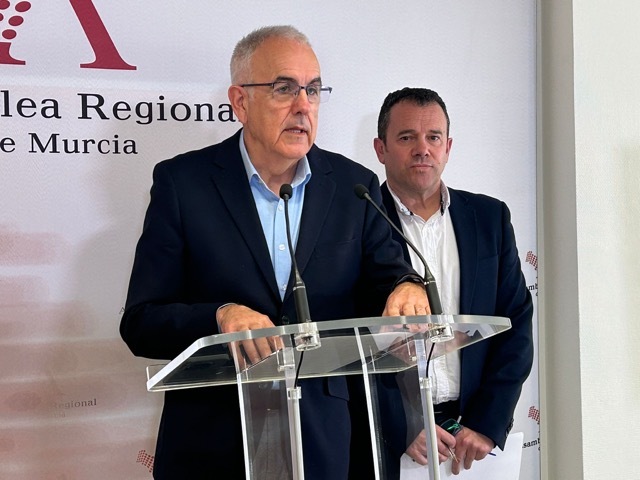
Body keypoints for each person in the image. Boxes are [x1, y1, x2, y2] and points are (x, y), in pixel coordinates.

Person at [120, 27, 429, 480]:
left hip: (325, 443)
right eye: (284, 89)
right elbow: (141, 322)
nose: (303, 106)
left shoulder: (353, 187)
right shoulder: (183, 184)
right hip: (212, 445)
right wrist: (219, 317)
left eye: (313, 90)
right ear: (240, 101)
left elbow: (390, 278)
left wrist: (408, 287)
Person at [373, 87, 534, 475]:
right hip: (392, 442)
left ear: (448, 147)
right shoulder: (358, 221)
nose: (422, 149)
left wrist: (487, 423)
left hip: (472, 438)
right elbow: (348, 340)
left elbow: (515, 324)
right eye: (406, 137)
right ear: (381, 149)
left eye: (434, 138)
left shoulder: (489, 218)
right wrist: (403, 424)